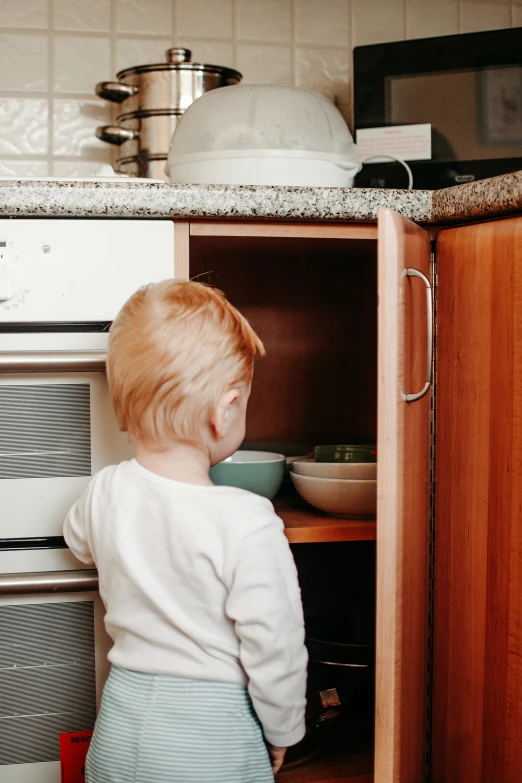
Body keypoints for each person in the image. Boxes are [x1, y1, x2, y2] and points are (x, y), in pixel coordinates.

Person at [63, 279, 308, 783]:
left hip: (119, 729)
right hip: (210, 743)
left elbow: (77, 540)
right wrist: (285, 730)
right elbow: (275, 646)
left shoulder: (105, 491)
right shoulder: (248, 519)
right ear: (225, 412)